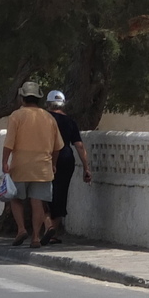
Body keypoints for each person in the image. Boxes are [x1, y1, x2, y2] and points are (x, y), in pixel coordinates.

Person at [0, 81, 64, 249]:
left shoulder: (16, 116)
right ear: (39, 99)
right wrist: (54, 164)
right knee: (38, 202)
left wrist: (4, 162)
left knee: (15, 199)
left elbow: (9, 143)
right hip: (42, 167)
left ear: (22, 98)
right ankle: (35, 237)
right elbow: (58, 147)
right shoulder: (48, 117)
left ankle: (21, 229)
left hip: (20, 166)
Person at [44, 89, 91, 244]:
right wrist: (86, 168)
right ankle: (52, 231)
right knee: (61, 193)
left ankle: (47, 226)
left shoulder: (44, 119)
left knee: (41, 193)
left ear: (48, 103)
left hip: (45, 156)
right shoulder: (70, 122)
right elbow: (79, 145)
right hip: (65, 157)